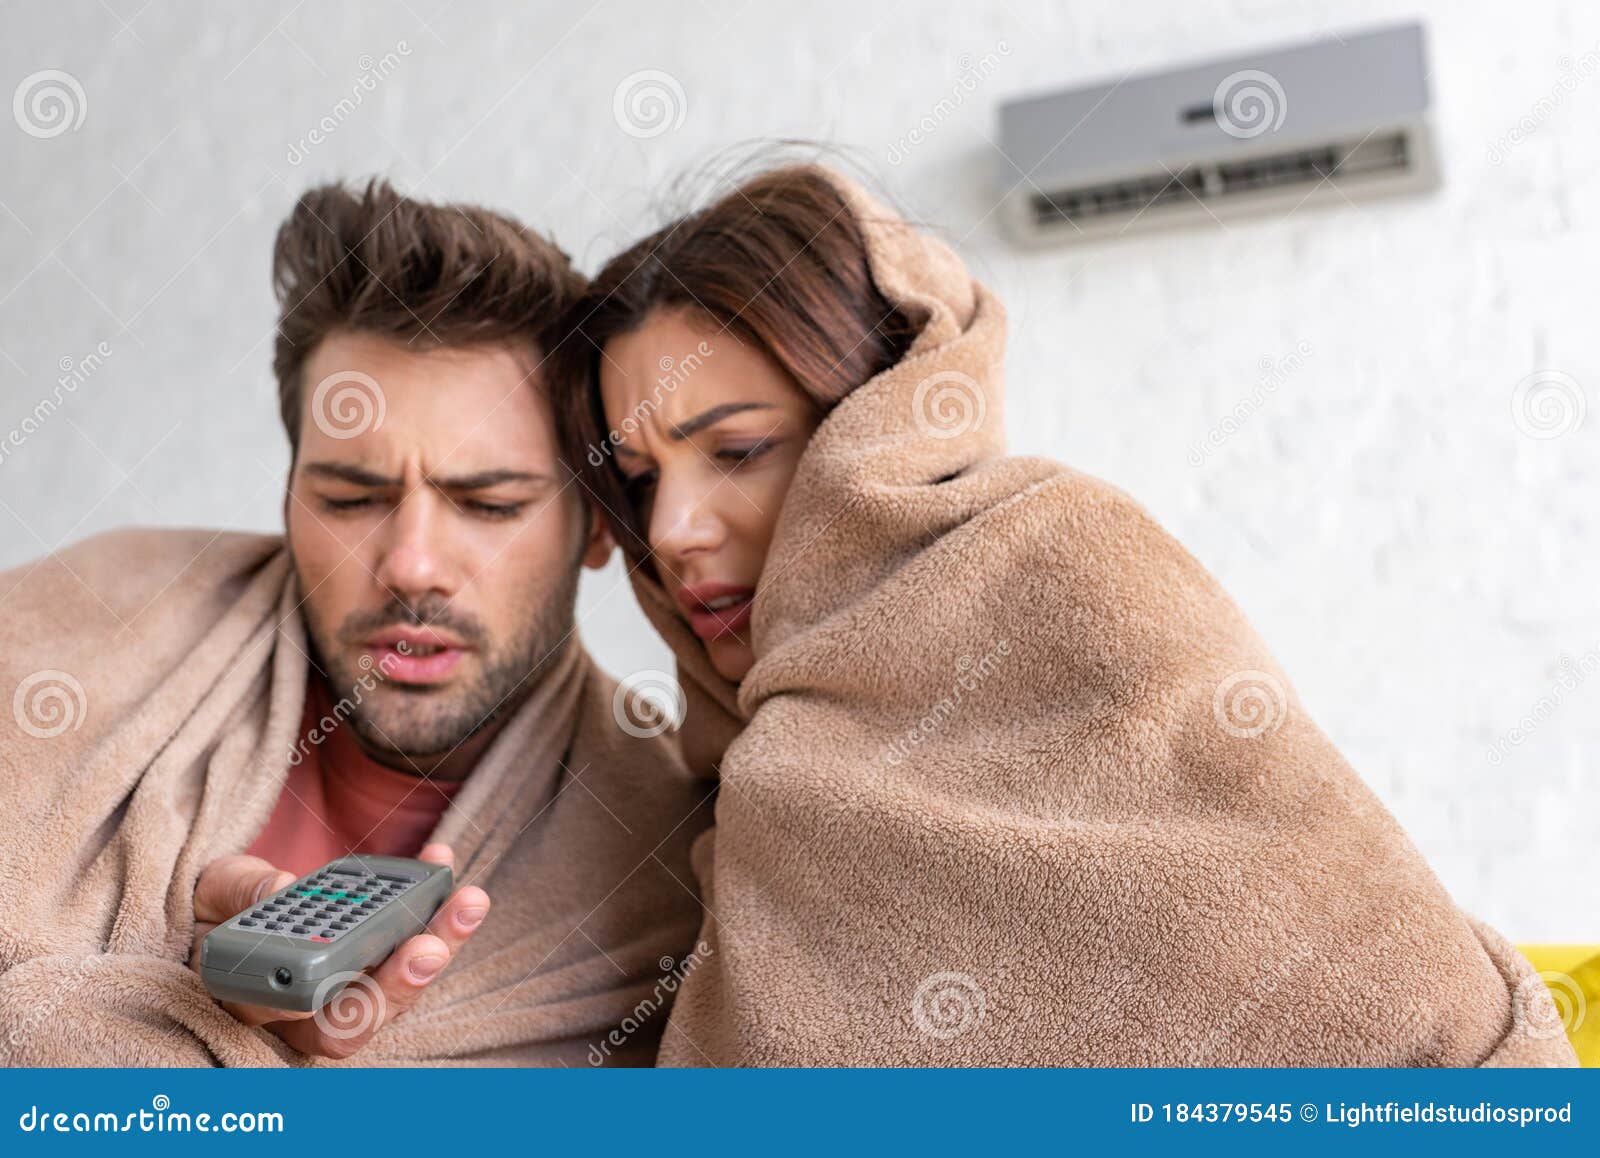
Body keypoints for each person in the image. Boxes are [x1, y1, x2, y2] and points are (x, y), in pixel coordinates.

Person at [554, 161, 1578, 1067]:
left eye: (735, 451)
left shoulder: (1069, 562)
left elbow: (1382, 1001)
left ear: (876, 421)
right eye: (639, 481)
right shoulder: (721, 778)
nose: (676, 529)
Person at [0, 180, 709, 1066]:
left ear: (597, 521)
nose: (411, 564)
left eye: (488, 504)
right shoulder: (93, 613)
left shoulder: (669, 882)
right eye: (352, 495)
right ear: (291, 491)